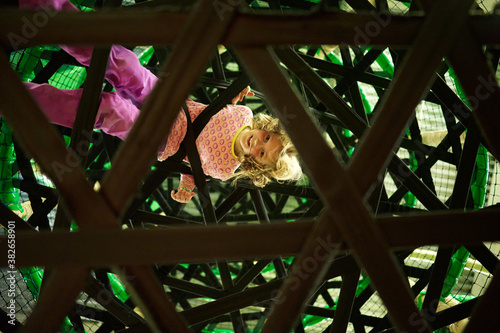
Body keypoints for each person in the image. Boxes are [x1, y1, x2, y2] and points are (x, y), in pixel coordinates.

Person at [17, 0, 302, 204]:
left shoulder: (227, 168)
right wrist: (234, 93)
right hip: (169, 102)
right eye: (267, 137)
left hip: (157, 138)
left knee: (110, 109)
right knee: (124, 64)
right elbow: (219, 106)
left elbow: (192, 167)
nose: (259, 143)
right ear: (267, 128)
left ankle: (18, 98)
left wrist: (186, 188)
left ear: (258, 165)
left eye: (264, 153)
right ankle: (47, 8)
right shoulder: (241, 116)